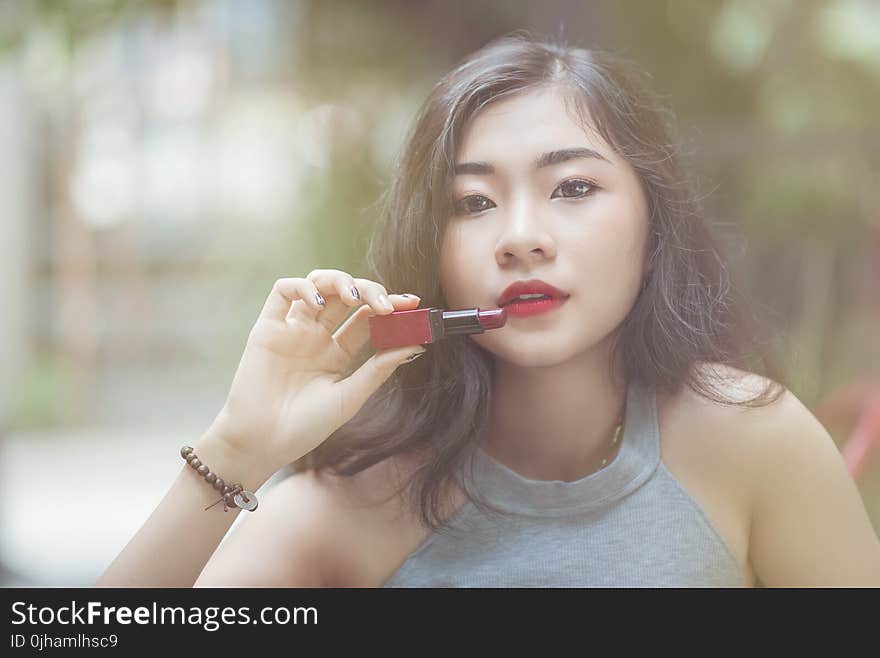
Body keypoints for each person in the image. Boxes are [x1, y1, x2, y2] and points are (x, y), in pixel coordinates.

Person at [96, 30, 880, 588]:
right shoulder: (349, 508)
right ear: (429, 251)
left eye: (573, 188)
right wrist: (235, 450)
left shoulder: (752, 438)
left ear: (653, 225)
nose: (521, 238)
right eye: (472, 203)